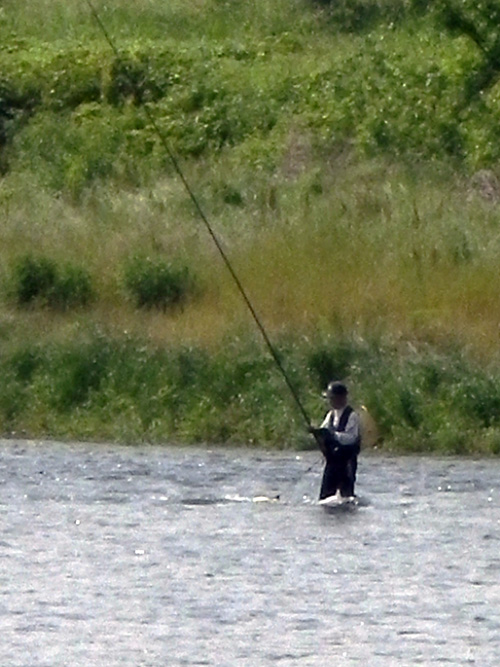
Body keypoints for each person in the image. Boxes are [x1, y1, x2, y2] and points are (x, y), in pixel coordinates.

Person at [310, 381, 361, 499]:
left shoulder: (352, 416)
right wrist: (316, 432)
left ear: (341, 398)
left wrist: (332, 435)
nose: (330, 401)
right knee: (325, 497)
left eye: (332, 398)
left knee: (346, 496)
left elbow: (351, 438)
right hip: (332, 460)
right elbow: (324, 430)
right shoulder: (331, 415)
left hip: (346, 461)